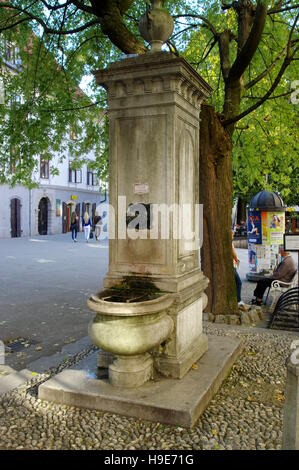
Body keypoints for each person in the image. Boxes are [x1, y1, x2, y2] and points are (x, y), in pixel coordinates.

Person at [232, 230, 243, 306]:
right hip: (231, 266)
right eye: (232, 235)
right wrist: (236, 260)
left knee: (236, 282)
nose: (233, 236)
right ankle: (238, 300)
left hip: (232, 265)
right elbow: (234, 254)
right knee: (239, 282)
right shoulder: (230, 243)